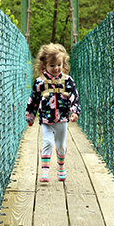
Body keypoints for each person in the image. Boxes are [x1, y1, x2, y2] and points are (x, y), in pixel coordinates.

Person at [25, 43, 81, 182]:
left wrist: (75, 111)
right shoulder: (40, 82)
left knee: (60, 145)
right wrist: (30, 116)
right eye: (52, 65)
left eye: (59, 65)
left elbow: (74, 96)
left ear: (63, 64)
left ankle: (61, 167)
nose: (56, 68)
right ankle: (44, 172)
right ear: (44, 65)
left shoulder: (67, 81)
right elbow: (33, 100)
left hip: (62, 118)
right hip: (46, 120)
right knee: (48, 142)